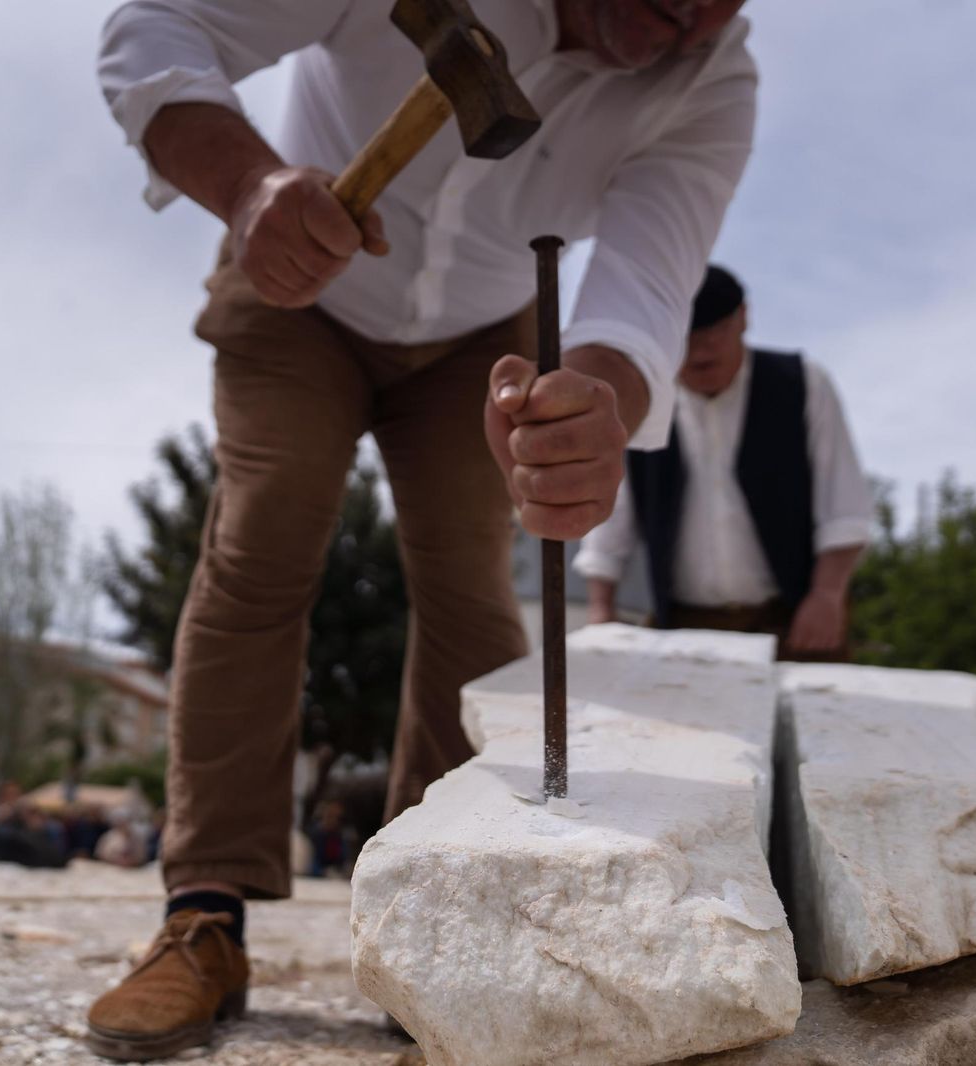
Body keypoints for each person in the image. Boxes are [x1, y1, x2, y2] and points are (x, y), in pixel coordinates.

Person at [88, 0, 758, 1057]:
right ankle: (203, 917)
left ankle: (433, 922)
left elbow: (641, 290)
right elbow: (157, 28)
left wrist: (594, 414)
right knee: (264, 542)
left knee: (470, 591)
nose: (683, 21)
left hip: (483, 339)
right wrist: (250, 184)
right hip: (292, 291)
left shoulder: (711, 83)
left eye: (715, 2)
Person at [575, 265, 872, 660]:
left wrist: (827, 595)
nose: (701, 351)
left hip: (795, 622)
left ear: (743, 319)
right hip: (682, 627)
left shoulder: (802, 384)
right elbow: (613, 515)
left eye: (714, 333)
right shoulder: (643, 403)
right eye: (688, 338)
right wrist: (601, 609)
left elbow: (844, 503)